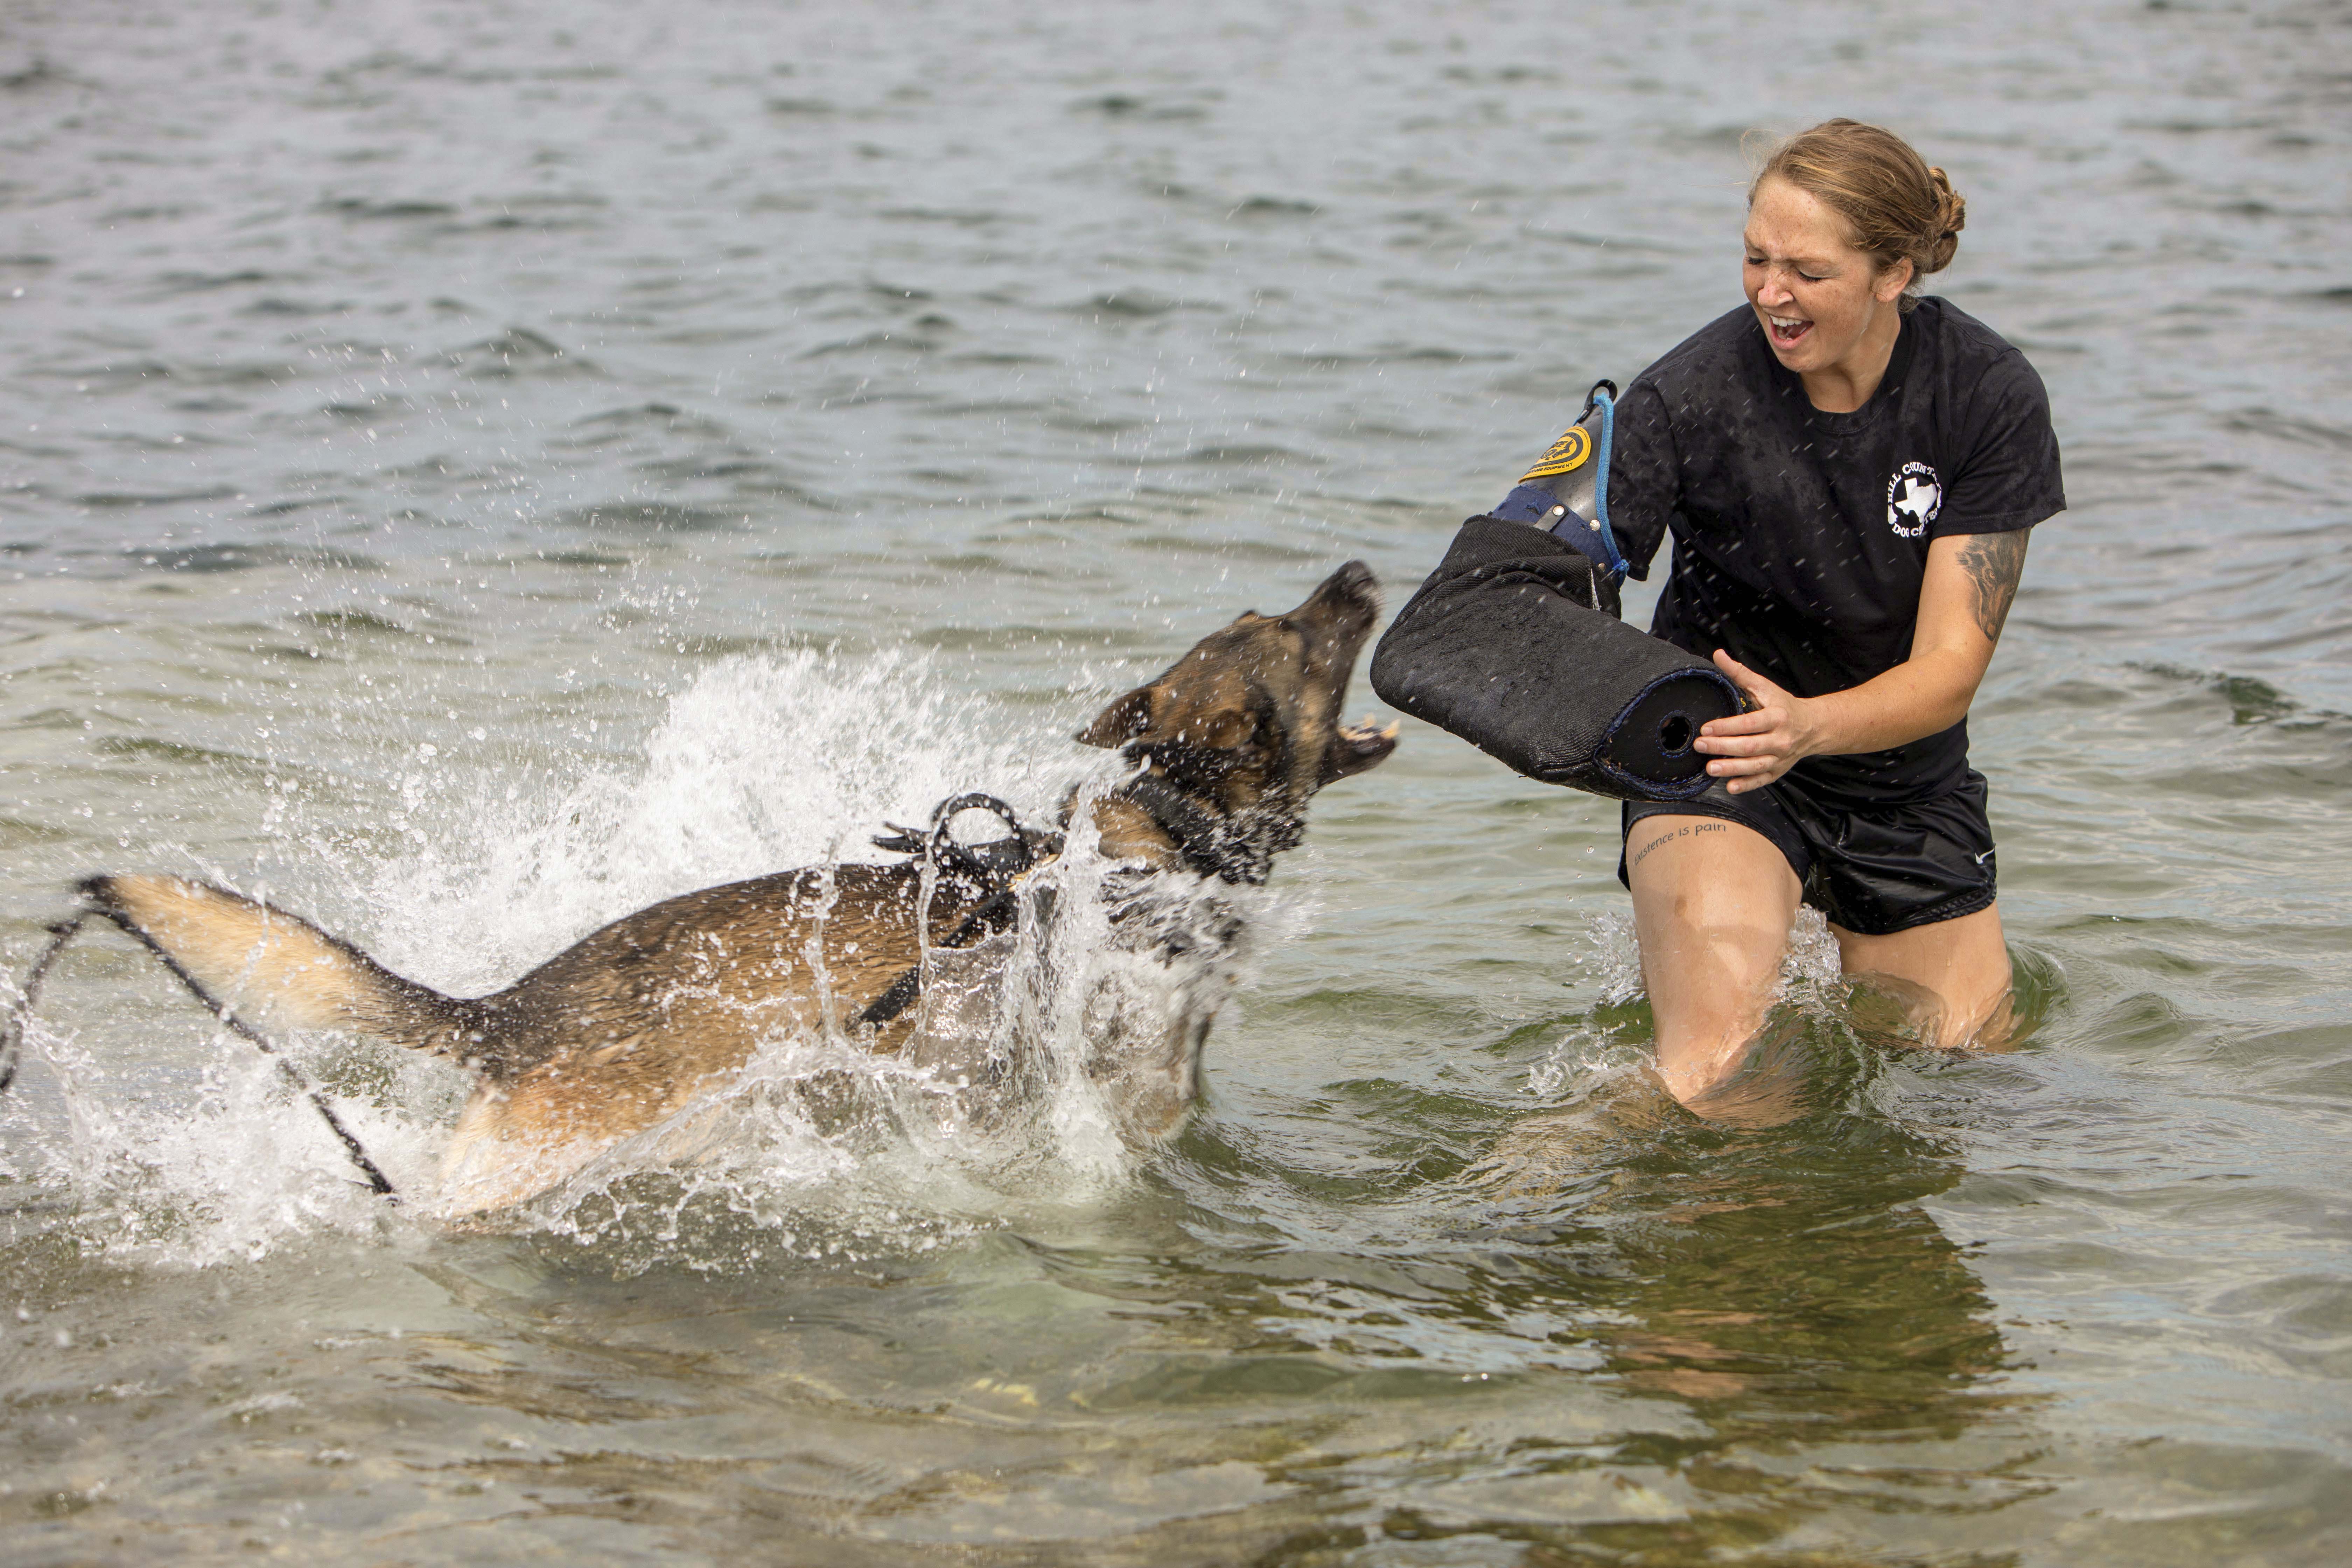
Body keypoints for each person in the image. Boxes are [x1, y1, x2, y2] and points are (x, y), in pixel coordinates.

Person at [1596, 119, 2064, 1111]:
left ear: (1894, 271)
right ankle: (1539, 1180)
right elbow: (1561, 574)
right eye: (1756, 258)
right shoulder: (1686, 397)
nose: (1770, 293)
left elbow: (1950, 666)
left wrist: (1812, 727)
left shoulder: (1985, 397)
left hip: (1900, 777)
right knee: (1720, 1073)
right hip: (1720, 749)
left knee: (1975, 1079)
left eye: (1807, 271)